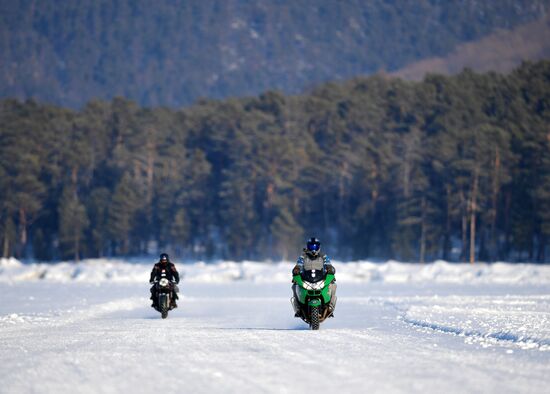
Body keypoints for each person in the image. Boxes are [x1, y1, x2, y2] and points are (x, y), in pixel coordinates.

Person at [291, 237, 337, 317]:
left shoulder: (323, 256)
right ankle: (298, 307)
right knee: (295, 285)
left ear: (319, 247)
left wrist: (330, 269)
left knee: (333, 285)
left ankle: (330, 306)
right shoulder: (303, 257)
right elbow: (298, 264)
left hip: (320, 278)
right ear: (308, 247)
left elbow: (328, 264)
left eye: (315, 246)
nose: (313, 249)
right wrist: (296, 269)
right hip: (307, 278)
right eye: (311, 247)